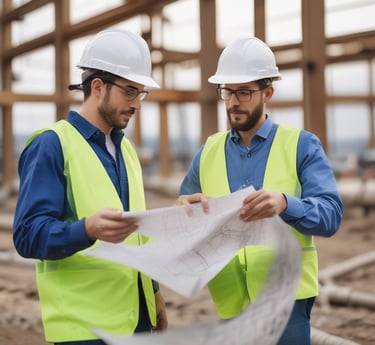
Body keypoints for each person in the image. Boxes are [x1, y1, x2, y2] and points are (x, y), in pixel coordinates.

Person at [176, 36, 343, 345]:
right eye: (227, 91)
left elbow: (331, 215)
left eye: (244, 92)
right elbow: (185, 207)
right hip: (230, 299)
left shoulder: (302, 145)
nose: (233, 101)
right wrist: (186, 207)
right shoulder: (209, 150)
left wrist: (285, 204)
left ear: (268, 93)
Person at [13, 29, 168, 345]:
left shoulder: (127, 150)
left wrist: (152, 293)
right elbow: (28, 235)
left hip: (135, 320)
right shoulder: (52, 145)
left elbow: (136, 236)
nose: (137, 104)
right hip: (84, 329)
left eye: (141, 93)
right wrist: (87, 230)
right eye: (129, 92)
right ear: (98, 86)